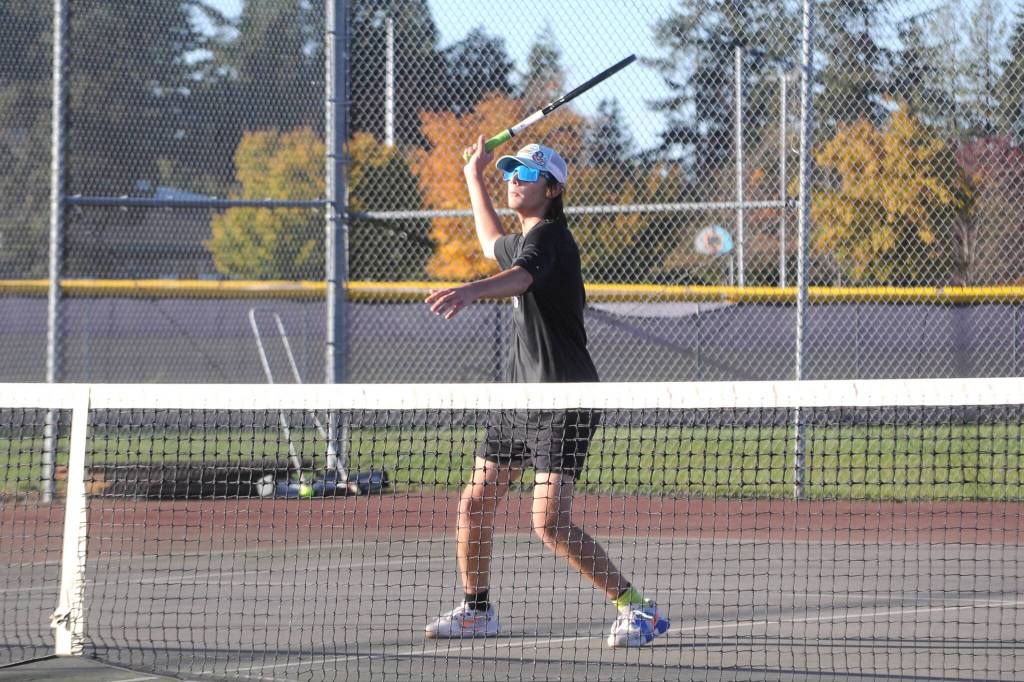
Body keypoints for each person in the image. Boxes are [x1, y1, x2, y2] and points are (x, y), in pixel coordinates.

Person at [422, 137, 669, 648]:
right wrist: (473, 174)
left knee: (550, 522)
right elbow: (492, 239)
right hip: (518, 402)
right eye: (510, 172)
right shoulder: (525, 239)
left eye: (525, 175)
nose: (513, 179)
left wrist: (470, 290)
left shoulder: (552, 239)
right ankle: (477, 609)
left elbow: (519, 276)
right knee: (475, 503)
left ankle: (638, 609)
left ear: (553, 189)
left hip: (564, 401)